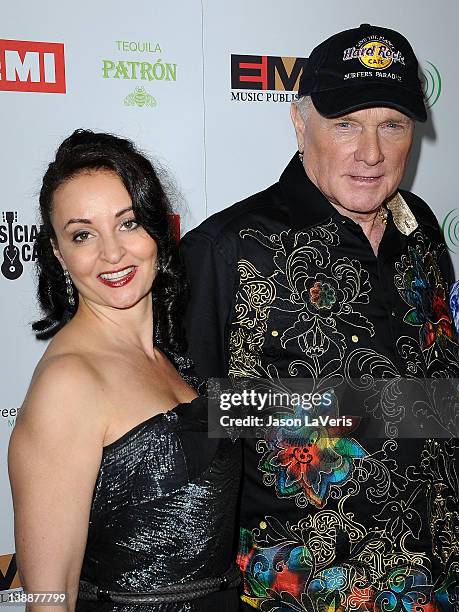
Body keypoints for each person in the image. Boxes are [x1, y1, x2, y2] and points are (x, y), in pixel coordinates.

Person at [181, 24, 459, 611]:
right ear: (298, 120)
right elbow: (194, 423)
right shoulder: (229, 248)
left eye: (393, 125)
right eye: (346, 124)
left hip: (439, 577)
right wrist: (362, 408)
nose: (372, 152)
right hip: (304, 593)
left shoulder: (422, 228)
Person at [8, 130, 241, 612]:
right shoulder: (68, 384)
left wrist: (425, 411)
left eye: (128, 223)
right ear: (57, 252)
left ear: (158, 228)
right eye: (82, 234)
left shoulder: (172, 360)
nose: (112, 254)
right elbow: (49, 596)